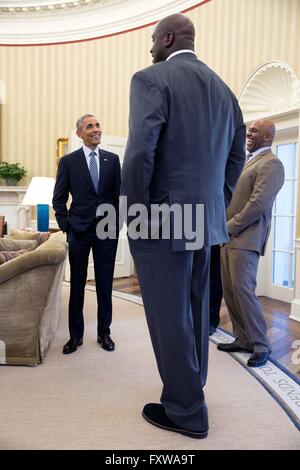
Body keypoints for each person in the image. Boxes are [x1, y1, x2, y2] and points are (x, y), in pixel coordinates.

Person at [121, 13, 245, 438]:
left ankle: (187, 411)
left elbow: (140, 155)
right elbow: (236, 158)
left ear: (168, 38)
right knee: (193, 312)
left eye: (153, 39)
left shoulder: (151, 79)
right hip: (204, 223)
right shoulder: (225, 92)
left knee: (170, 316)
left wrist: (136, 214)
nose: (150, 47)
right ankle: (192, 387)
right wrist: (215, 203)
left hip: (162, 223)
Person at [217, 119, 285, 367]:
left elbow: (258, 204)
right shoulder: (248, 161)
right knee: (230, 291)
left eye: (254, 131)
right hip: (228, 237)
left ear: (268, 137)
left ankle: (261, 345)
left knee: (244, 291)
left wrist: (230, 226)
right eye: (249, 130)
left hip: (246, 237)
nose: (249, 134)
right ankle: (242, 338)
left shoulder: (272, 164)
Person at [52, 114, 121, 354]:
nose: (96, 129)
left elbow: (117, 197)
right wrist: (66, 226)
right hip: (78, 232)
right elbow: (59, 199)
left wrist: (116, 224)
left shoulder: (112, 160)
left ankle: (105, 333)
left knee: (104, 285)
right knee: (78, 285)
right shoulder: (68, 162)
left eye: (98, 125)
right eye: (90, 126)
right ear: (80, 133)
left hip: (106, 233)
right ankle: (75, 336)